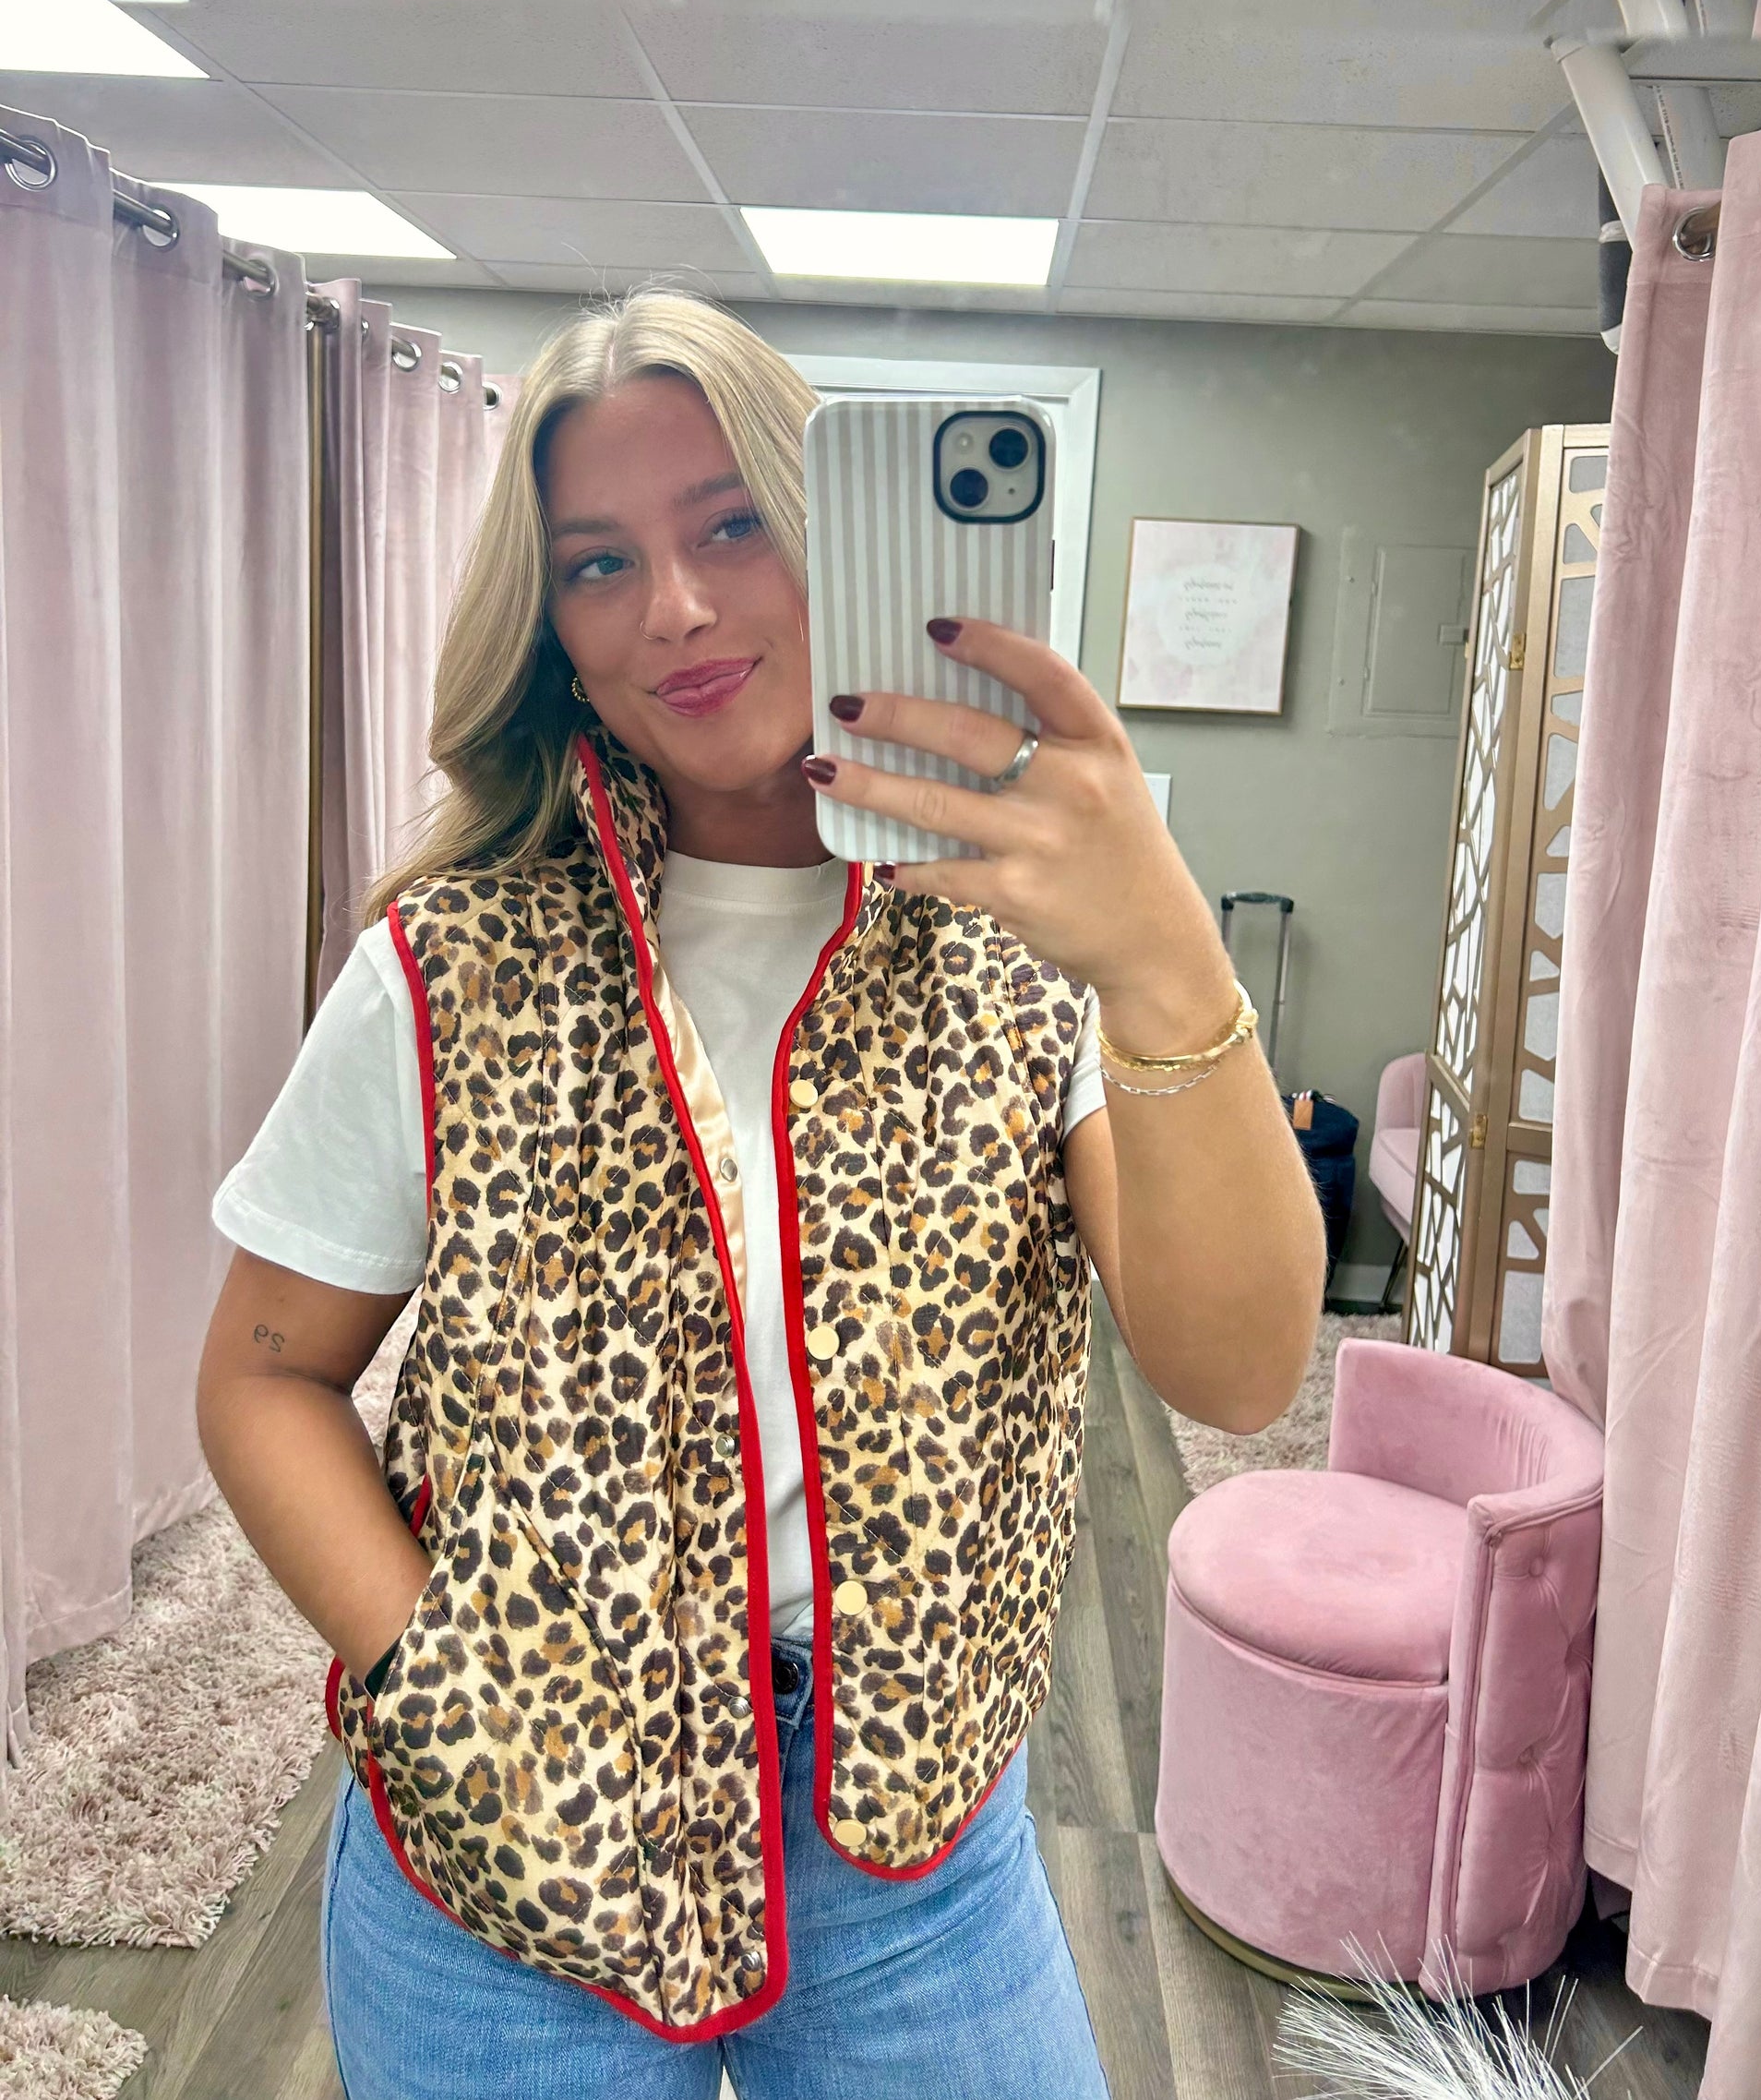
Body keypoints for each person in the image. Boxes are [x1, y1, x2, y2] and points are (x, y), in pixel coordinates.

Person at [197, 291, 1324, 2100]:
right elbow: (263, 1373)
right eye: (597, 563)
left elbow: (1239, 1369)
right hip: (520, 1845)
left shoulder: (1022, 944)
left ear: (842, 539)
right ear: (554, 633)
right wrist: (445, 1684)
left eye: (731, 525)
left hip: (910, 1842)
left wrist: (1166, 959)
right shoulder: (451, 963)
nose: (674, 606)